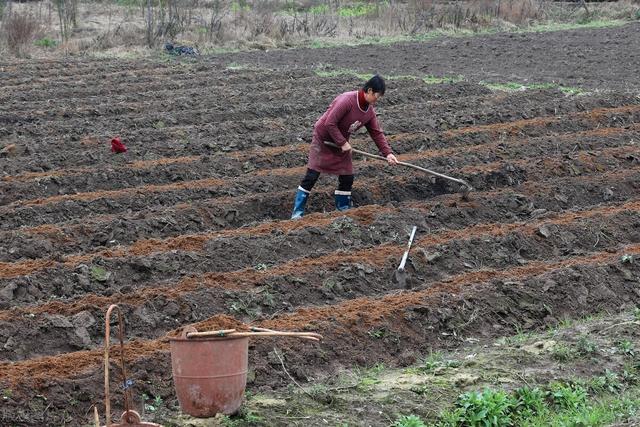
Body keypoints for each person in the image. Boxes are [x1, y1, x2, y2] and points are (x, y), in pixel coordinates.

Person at [291, 74, 398, 219]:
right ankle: (297, 214)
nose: (376, 101)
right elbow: (329, 123)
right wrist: (342, 143)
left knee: (347, 177)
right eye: (376, 97)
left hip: (341, 142)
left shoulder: (369, 111)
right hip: (324, 139)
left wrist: (388, 153)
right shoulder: (347, 100)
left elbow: (376, 133)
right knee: (312, 175)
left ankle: (343, 210)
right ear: (370, 91)